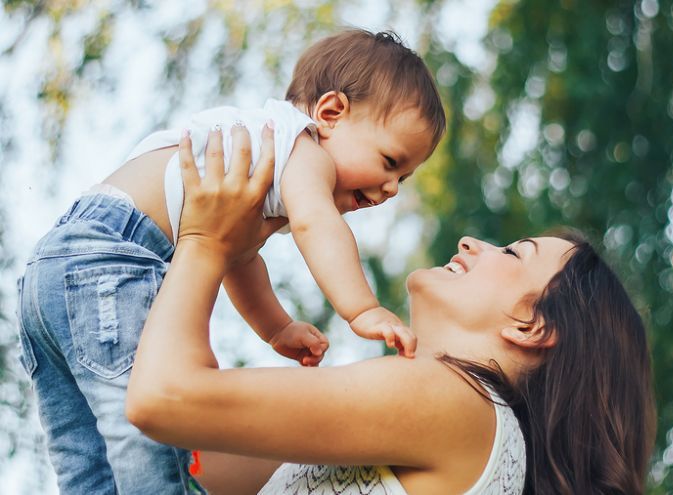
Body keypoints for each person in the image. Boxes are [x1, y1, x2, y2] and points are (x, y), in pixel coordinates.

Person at [15, 29, 445, 494]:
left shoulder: (264, 153)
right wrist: (362, 309)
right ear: (331, 113)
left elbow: (239, 259)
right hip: (112, 262)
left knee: (84, 451)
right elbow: (317, 226)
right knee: (147, 437)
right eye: (390, 161)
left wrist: (275, 327)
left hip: (52, 271)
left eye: (404, 177)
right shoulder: (306, 150)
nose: (392, 188)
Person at [126, 125, 657, 494]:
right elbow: (186, 450)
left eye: (515, 252)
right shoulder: (465, 435)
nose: (474, 241)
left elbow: (162, 401)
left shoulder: (458, 400)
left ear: (532, 325)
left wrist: (204, 241)